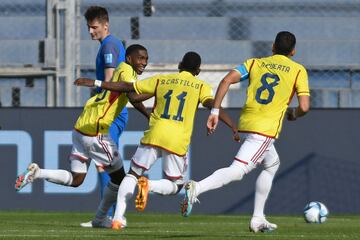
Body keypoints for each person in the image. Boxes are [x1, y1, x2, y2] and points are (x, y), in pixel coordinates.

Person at [74, 51, 239, 230]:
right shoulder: (200, 86)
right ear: (198, 71)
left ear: (179, 65)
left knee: (131, 175)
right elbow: (212, 105)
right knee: (177, 186)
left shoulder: (162, 79)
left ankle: (118, 218)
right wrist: (232, 126)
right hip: (176, 140)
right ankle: (149, 185)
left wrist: (97, 82)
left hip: (154, 133)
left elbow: (131, 90)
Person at [181, 31, 310, 233]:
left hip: (249, 121)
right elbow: (304, 106)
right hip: (265, 130)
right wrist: (293, 113)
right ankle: (197, 187)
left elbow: (225, 81)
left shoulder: (254, 63)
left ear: (273, 47)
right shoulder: (298, 70)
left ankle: (257, 219)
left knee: (272, 165)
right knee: (238, 172)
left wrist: (214, 111)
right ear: (293, 51)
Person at [15, 44, 151, 228]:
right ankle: (104, 218)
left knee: (77, 179)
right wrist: (96, 82)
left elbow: (132, 97)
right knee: (121, 179)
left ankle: (38, 173)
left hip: (81, 128)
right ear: (129, 59)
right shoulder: (127, 70)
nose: (144, 62)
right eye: (140, 58)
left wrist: (149, 116)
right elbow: (130, 90)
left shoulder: (125, 71)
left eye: (146, 59)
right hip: (96, 131)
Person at [83, 5, 128, 218]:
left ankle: (112, 215)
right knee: (107, 163)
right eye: (88, 28)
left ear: (105, 25)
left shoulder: (109, 46)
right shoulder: (111, 44)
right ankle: (110, 214)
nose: (91, 32)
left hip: (111, 112)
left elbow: (109, 81)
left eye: (94, 27)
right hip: (111, 111)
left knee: (107, 164)